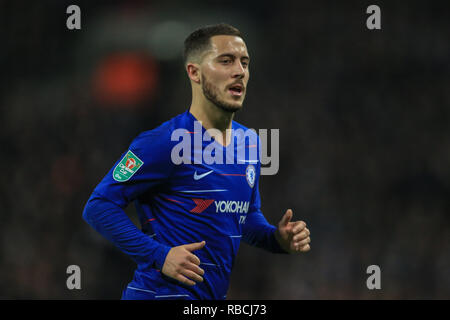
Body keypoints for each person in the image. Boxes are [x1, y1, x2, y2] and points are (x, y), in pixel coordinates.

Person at [82, 23, 311, 300]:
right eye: (225, 61)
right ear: (195, 72)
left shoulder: (250, 142)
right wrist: (160, 255)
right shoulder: (164, 141)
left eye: (244, 62)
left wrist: (276, 239)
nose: (239, 70)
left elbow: (244, 216)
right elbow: (98, 206)